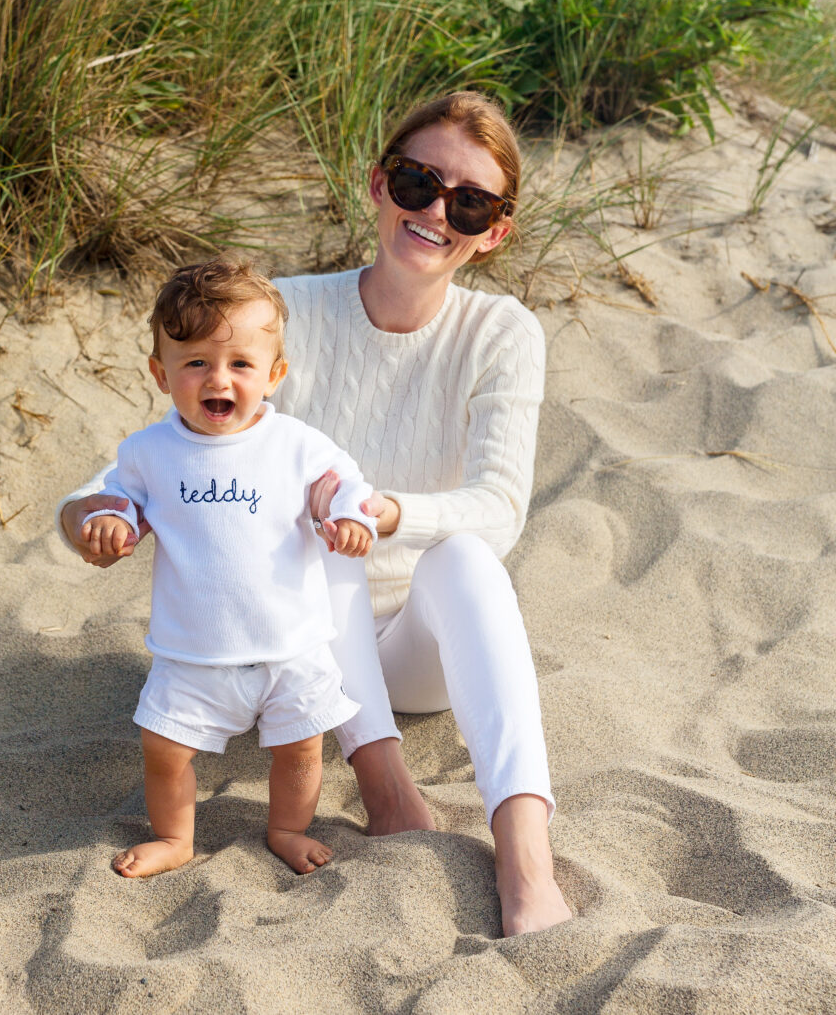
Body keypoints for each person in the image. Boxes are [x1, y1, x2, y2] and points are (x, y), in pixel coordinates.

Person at [58, 91, 572, 935]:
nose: (436, 212)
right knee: (315, 533)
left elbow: (499, 508)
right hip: (286, 650)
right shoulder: (285, 309)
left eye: (470, 202)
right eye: (417, 182)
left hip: (418, 650)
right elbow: (149, 460)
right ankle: (385, 786)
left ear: (495, 231)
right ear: (378, 184)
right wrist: (92, 518)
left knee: (467, 557)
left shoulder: (502, 332)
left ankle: (525, 857)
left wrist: (381, 511)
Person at [74, 257, 376, 878]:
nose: (219, 379)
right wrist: (109, 522)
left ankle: (287, 828)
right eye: (195, 363)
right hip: (192, 654)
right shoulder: (149, 452)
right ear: (161, 373)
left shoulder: (295, 444)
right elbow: (120, 500)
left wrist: (350, 518)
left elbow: (344, 484)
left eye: (240, 364)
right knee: (164, 749)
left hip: (291, 647)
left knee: (301, 749)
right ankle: (175, 838)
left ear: (274, 374)